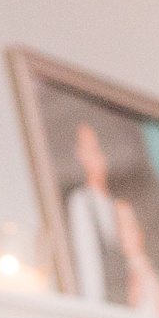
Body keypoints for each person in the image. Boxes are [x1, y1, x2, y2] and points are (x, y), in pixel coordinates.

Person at [64, 119, 127, 303]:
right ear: (80, 155)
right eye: (89, 149)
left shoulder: (117, 205)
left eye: (98, 148)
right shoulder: (81, 203)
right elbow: (88, 264)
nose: (96, 155)